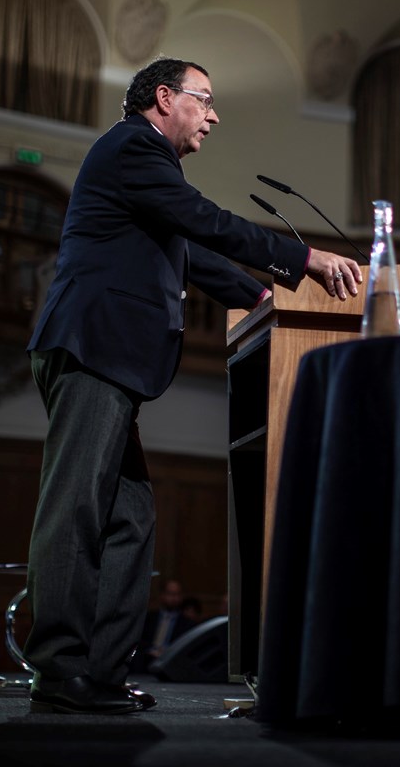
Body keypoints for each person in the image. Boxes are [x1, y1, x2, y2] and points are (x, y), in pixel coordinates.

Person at [24, 57, 363, 715]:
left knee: (130, 519)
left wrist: (265, 295)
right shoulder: (132, 148)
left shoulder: (147, 168)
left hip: (111, 361)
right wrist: (306, 259)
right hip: (92, 350)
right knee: (77, 512)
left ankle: (97, 669)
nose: (212, 116)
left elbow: (194, 252)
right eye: (203, 101)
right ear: (162, 98)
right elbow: (204, 220)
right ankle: (59, 668)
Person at [130, 579, 195, 673]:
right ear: (162, 595)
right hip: (145, 659)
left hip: (170, 660)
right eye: (170, 594)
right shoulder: (148, 618)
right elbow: (138, 640)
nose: (174, 598)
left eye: (177, 594)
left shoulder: (187, 623)